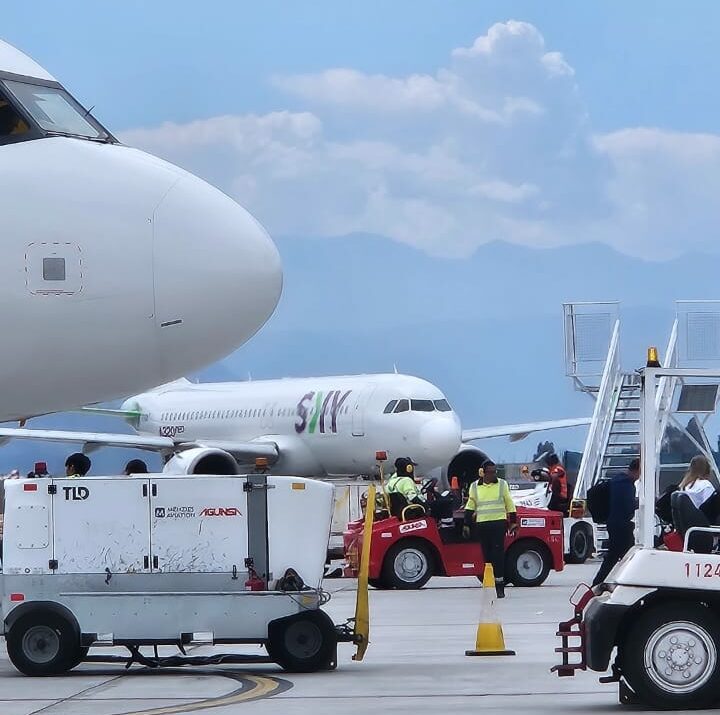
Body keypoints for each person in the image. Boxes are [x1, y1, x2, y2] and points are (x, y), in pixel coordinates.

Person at [463, 460, 518, 598]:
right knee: (487, 556)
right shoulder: (475, 486)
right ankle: (489, 583)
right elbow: (471, 504)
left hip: (498, 524)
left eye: (495, 472)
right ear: (482, 472)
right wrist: (466, 524)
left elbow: (509, 502)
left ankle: (500, 586)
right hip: (482, 525)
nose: (493, 475)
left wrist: (513, 521)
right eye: (490, 472)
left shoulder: (502, 484)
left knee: (498, 556)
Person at [592, 458, 640, 587]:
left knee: (615, 556)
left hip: (613, 523)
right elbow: (626, 506)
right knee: (628, 555)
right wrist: (639, 503)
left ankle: (599, 582)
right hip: (621, 525)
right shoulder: (626, 484)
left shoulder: (617, 480)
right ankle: (602, 582)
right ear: (637, 471)